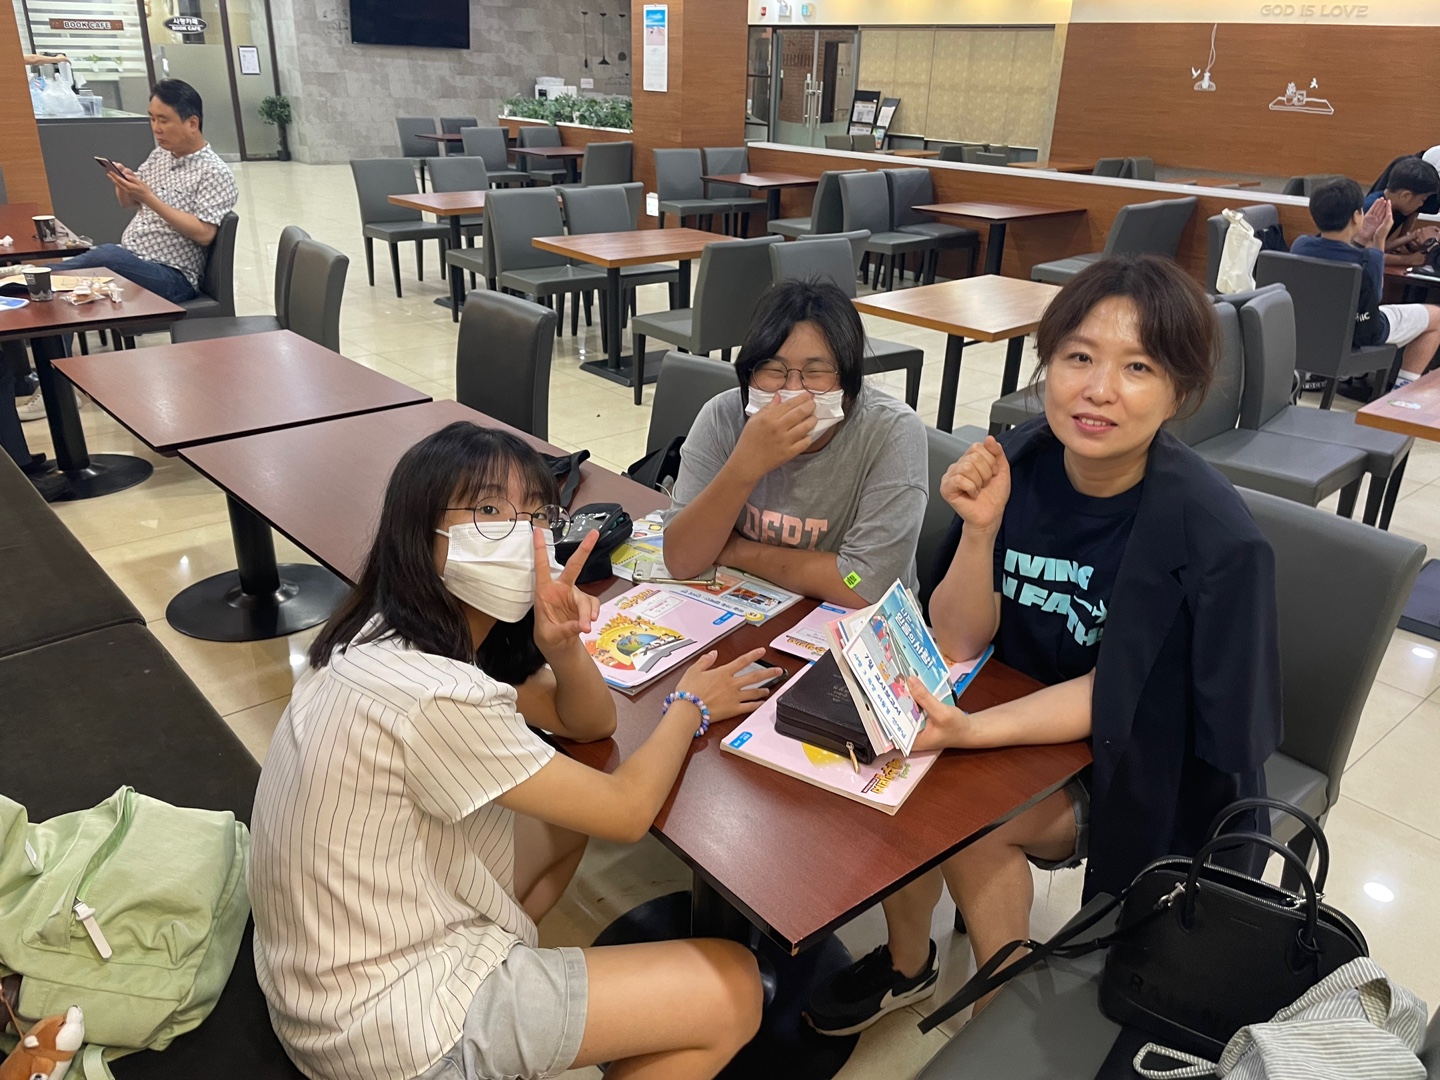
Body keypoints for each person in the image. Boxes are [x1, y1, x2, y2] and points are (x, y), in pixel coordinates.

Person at [806, 255, 1282, 1036]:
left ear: (1180, 391)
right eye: (1079, 357)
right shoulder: (1019, 461)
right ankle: (910, 963)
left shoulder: (1210, 538)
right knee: (895, 767)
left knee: (969, 818)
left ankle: (994, 1026)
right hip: (1016, 710)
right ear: (1047, 364)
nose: (1099, 389)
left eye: (1138, 367)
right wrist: (982, 529)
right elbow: (959, 636)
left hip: (1137, 759)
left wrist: (969, 732)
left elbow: (1124, 698)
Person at [250, 421, 776, 1080]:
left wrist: (562, 647)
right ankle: (485, 1030)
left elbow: (587, 724)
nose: (522, 534)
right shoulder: (436, 693)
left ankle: (517, 1001)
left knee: (564, 821)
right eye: (489, 510)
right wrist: (689, 706)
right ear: (420, 532)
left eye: (535, 514)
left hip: (322, 976)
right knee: (735, 988)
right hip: (386, 1026)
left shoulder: (393, 628)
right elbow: (625, 812)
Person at [663, 279, 928, 607]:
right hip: (750, 609)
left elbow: (863, 585)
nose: (793, 391)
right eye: (773, 369)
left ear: (849, 383)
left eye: (816, 372)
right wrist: (743, 467)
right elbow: (681, 559)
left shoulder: (892, 433)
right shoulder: (723, 417)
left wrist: (734, 550)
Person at [16, 78, 238, 423]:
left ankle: (27, 276)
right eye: (151, 118)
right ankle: (55, 387)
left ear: (192, 123)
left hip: (172, 276)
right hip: (135, 260)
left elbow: (205, 233)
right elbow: (128, 205)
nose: (156, 128)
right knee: (69, 290)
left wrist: (149, 197)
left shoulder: (214, 172)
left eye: (163, 120)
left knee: (104, 259)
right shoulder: (160, 156)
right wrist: (126, 186)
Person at [1293, 178, 1440, 385]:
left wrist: (1361, 238)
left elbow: (1338, 254)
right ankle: (1402, 387)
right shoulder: (1369, 258)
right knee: (1437, 317)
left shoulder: (1300, 245)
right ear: (1356, 216)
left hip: (1311, 327)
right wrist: (1379, 240)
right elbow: (1375, 297)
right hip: (1360, 332)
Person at [1361, 156, 1440, 269]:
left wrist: (1413, 235)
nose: (1421, 205)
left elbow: (1378, 245)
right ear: (1406, 196)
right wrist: (1409, 260)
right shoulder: (1374, 209)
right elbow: (1366, 254)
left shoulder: (1390, 205)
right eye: (1422, 200)